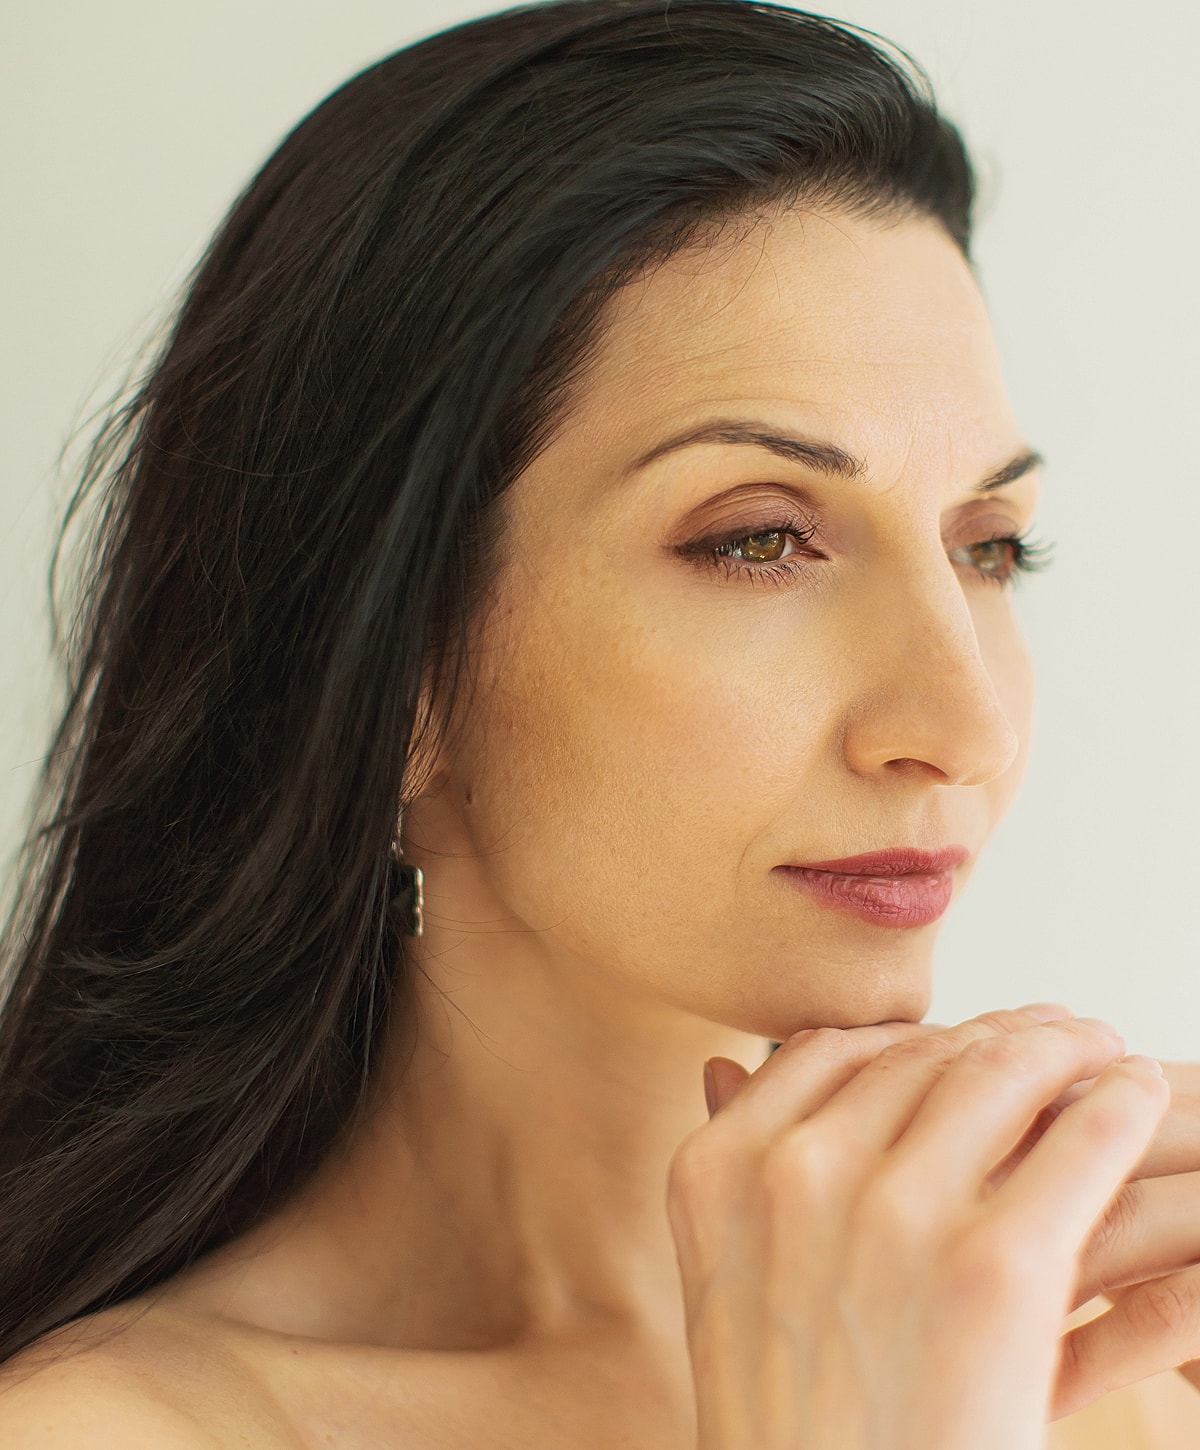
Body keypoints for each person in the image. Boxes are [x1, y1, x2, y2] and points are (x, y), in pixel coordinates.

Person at [2, 1, 1200, 1445]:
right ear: (395, 671)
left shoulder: (1098, 1365)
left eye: (989, 543)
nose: (961, 723)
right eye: (759, 538)